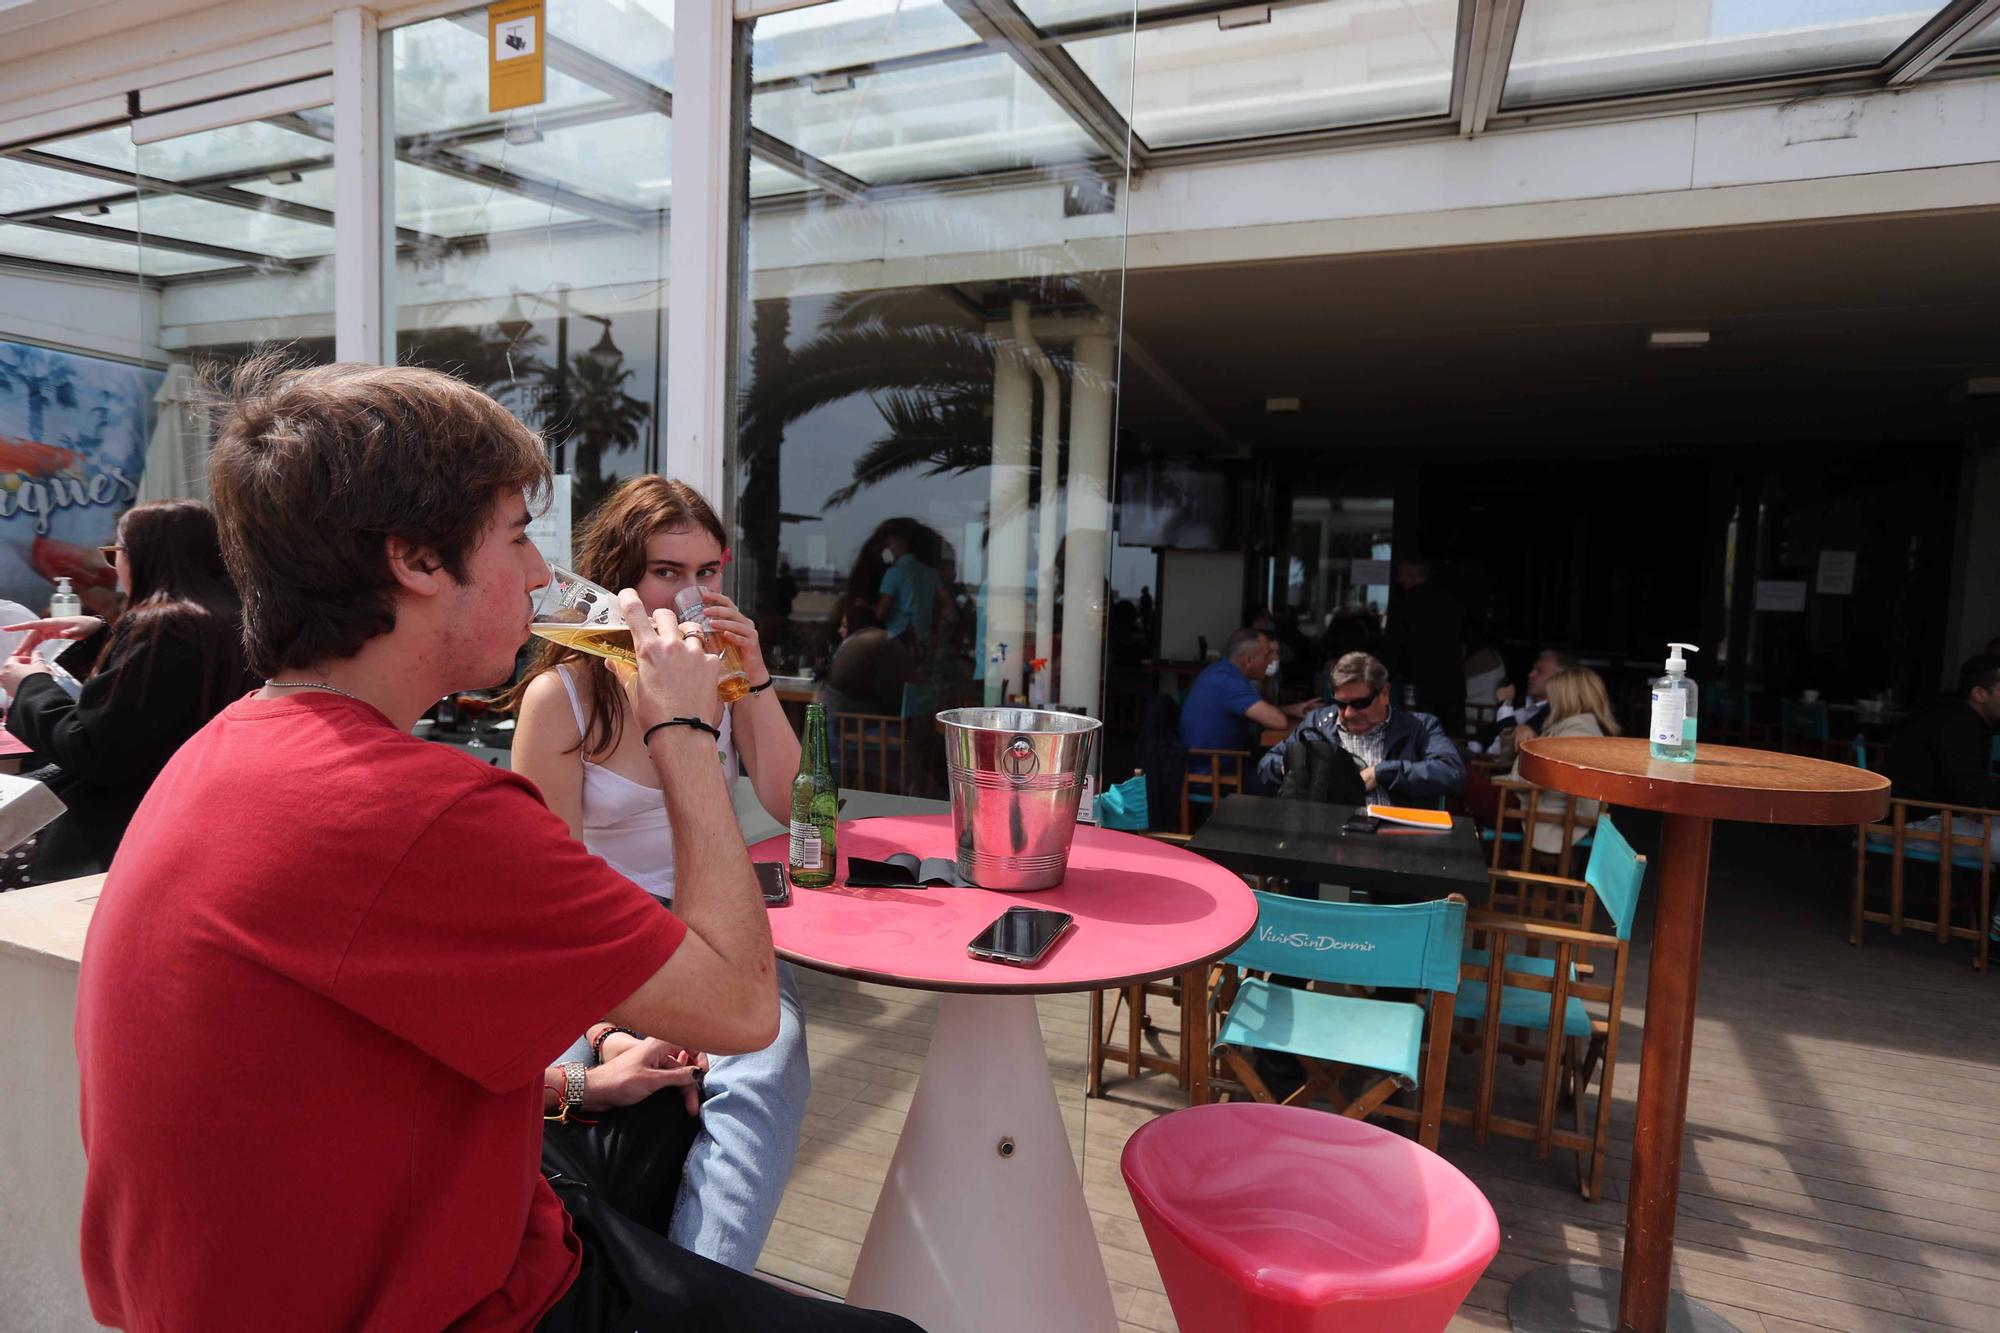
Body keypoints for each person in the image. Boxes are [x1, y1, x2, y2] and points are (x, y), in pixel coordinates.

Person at [73, 359, 918, 1333]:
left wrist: (575, 1082)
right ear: (418, 561)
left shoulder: (224, 754)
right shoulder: (410, 806)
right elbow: (739, 1006)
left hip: (305, 1274)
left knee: (655, 1128)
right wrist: (681, 730)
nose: (540, 575)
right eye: (517, 538)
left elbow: (360, 1059)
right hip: (474, 1305)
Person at [511, 475, 811, 1274]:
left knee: (765, 1058)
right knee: (584, 1077)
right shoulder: (562, 698)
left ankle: (705, 1286)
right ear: (619, 579)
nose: (690, 593)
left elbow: (791, 804)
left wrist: (757, 675)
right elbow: (552, 903)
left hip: (704, 921)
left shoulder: (714, 673)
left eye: (707, 571)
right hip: (603, 933)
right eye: (666, 571)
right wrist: (614, 1025)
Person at [0, 499, 255, 883]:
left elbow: (94, 749)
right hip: (194, 813)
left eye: (115, 553)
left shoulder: (165, 626)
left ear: (142, 557)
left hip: (126, 828)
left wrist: (31, 685)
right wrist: (102, 635)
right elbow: (151, 701)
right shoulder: (233, 617)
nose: (114, 566)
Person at [1259, 650, 1465, 804]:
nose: (1349, 713)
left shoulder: (1420, 727)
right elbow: (1267, 764)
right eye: (1340, 704)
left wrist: (1381, 773)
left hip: (1395, 837)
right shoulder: (1318, 723)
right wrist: (1295, 766)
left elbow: (1452, 774)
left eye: (1360, 704)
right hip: (1327, 833)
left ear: (1385, 694)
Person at [1506, 666, 1620, 855]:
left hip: (1545, 816)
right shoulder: (1577, 730)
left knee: (1463, 783)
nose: (1549, 702)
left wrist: (1529, 745)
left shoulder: (1574, 736)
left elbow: (1524, 779)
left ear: (1566, 699)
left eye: (1553, 696)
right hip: (1541, 810)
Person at [1179, 628, 1312, 780]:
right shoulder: (1229, 683)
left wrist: (1289, 709)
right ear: (1248, 661)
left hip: (1219, 765)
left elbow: (1256, 711)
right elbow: (1279, 722)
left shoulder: (1220, 671)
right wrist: (1284, 713)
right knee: (1289, 782)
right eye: (1267, 655)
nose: (1271, 661)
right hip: (1213, 775)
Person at [1881, 654, 2000, 812]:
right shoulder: (1957, 725)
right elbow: (1970, 792)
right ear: (1979, 694)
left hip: (1931, 818)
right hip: (1908, 824)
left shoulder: (1964, 718)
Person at [1380, 557, 1466, 735]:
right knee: (1450, 737)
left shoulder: (1404, 604)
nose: (1398, 580)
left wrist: (1383, 676)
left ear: (1411, 577)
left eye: (1402, 576)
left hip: (1419, 682)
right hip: (1452, 682)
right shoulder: (1451, 601)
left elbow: (1394, 647)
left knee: (1419, 736)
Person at [1473, 648, 1574, 758]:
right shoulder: (1521, 701)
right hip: (1478, 758)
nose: (1531, 674)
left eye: (1539, 671)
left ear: (1560, 679)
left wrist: (1505, 704)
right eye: (1533, 669)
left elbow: (1512, 748)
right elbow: (1487, 732)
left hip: (1496, 768)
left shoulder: (1554, 712)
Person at [874, 519, 941, 653]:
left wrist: (863, 605)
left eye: (889, 543)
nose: (888, 547)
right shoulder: (931, 573)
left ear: (899, 542)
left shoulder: (894, 572)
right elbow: (940, 607)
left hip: (899, 642)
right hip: (923, 642)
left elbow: (881, 612)